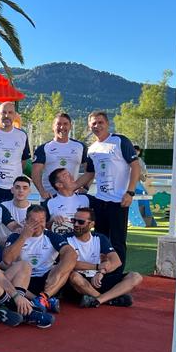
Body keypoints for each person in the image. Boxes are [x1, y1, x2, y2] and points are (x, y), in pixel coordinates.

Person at [75, 110, 140, 271]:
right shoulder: (92, 149)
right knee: (100, 240)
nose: (97, 126)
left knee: (117, 242)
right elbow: (90, 173)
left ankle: (117, 276)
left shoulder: (119, 141)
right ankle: (101, 274)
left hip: (119, 201)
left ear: (107, 124)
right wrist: (73, 187)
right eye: (93, 124)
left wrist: (130, 192)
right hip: (100, 201)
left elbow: (135, 167)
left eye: (100, 122)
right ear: (89, 126)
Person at [1, 205, 77, 316]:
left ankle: (43, 297)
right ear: (26, 221)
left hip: (47, 281)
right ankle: (39, 300)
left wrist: (58, 272)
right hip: (23, 281)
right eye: (33, 221)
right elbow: (7, 260)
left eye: (41, 221)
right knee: (2, 275)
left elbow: (71, 254)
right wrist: (24, 236)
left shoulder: (51, 236)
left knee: (67, 268)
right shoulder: (15, 236)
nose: (38, 224)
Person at [65, 207, 143, 307]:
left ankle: (98, 300)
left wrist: (101, 272)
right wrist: (98, 267)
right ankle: (109, 299)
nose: (75, 224)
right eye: (73, 220)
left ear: (91, 224)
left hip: (98, 279)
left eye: (80, 222)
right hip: (79, 283)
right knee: (74, 276)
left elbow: (116, 261)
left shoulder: (99, 238)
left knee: (135, 276)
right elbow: (70, 264)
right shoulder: (66, 239)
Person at [32, 112, 88, 200]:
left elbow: (90, 170)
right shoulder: (44, 148)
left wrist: (85, 187)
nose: (62, 127)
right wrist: (42, 191)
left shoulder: (80, 147)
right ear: (53, 127)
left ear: (70, 126)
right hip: (50, 197)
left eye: (65, 124)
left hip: (72, 197)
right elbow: (35, 173)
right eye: (58, 124)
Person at [43, 168, 93, 235]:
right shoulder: (49, 202)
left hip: (83, 241)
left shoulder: (86, 198)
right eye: (65, 175)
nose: (71, 177)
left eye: (69, 174)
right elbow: (42, 226)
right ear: (59, 185)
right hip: (61, 242)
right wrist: (52, 222)